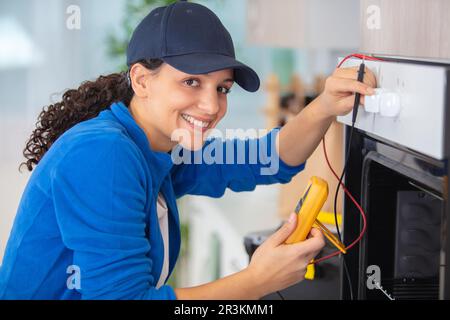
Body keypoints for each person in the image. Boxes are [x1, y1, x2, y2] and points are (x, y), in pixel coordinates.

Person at [0, 1, 376, 299]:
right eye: (191, 81)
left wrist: (326, 105)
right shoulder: (104, 153)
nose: (212, 106)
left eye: (222, 88)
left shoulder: (160, 148)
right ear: (142, 80)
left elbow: (269, 158)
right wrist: (257, 282)